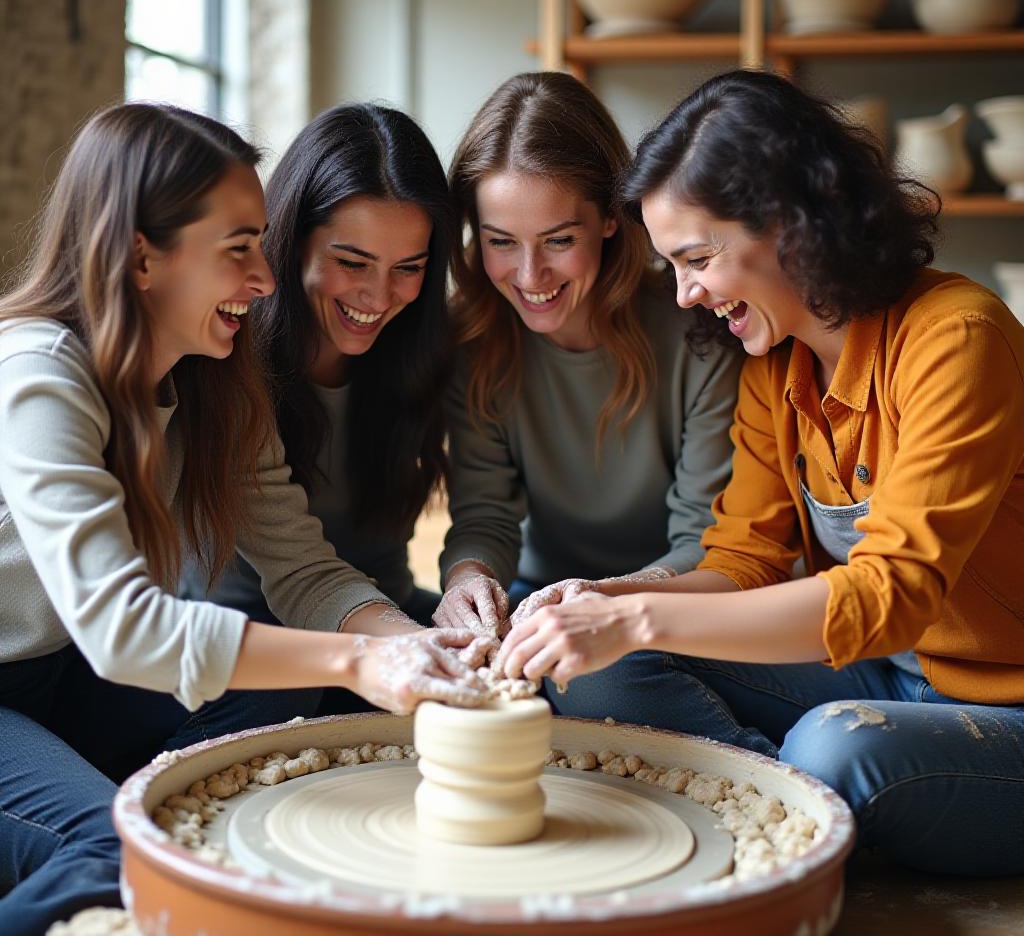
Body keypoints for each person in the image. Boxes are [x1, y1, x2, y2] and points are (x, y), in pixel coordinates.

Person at [496, 69, 1024, 877]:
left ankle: (789, 810)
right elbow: (741, 565)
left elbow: (893, 593)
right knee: (605, 668)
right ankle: (782, 815)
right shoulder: (777, 367)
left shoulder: (956, 337)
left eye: (698, 258)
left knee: (837, 745)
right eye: (672, 265)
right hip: (879, 676)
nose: (683, 295)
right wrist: (616, 600)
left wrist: (637, 617)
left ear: (793, 223)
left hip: (999, 703)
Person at [0, 103, 490, 934]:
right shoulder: (38, 373)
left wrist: (408, 648)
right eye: (238, 251)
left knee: (290, 722)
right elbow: (125, 630)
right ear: (140, 255)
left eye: (260, 244)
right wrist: (359, 659)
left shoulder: (217, 379)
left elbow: (300, 567)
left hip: (66, 675)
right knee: (132, 846)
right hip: (40, 676)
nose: (263, 279)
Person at [433, 71, 741, 654]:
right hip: (541, 597)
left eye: (557, 240)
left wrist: (600, 601)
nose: (529, 277)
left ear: (609, 217)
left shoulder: (699, 329)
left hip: (680, 603)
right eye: (501, 242)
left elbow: (710, 542)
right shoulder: (472, 343)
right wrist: (468, 580)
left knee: (599, 682)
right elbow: (485, 515)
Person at [181, 104, 453, 629]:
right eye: (352, 262)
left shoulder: (426, 351)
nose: (377, 296)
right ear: (288, 241)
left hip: (386, 618)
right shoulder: (225, 358)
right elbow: (303, 576)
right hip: (249, 640)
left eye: (408, 268)